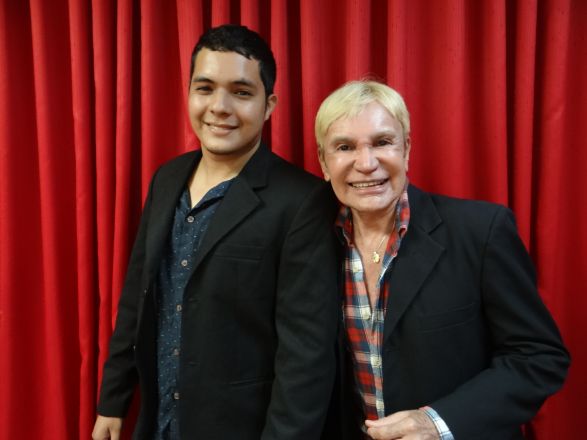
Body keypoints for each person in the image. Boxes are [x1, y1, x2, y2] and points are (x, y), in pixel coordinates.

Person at [92, 25, 339, 440]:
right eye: (205, 88)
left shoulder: (302, 201)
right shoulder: (167, 178)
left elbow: (306, 355)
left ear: (268, 105)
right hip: (159, 423)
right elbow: (137, 296)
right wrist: (113, 401)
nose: (219, 107)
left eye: (241, 92)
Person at [315, 80, 570, 440]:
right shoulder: (310, 244)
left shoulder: (481, 231)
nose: (367, 163)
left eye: (383, 142)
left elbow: (538, 357)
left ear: (406, 149)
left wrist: (437, 423)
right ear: (324, 162)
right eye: (345, 147)